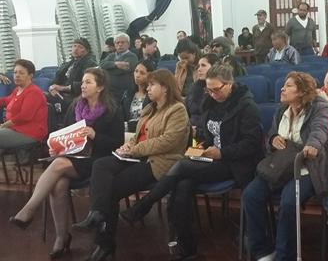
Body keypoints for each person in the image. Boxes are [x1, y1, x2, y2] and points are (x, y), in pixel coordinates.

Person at [119, 64, 263, 259]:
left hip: (235, 163)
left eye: (216, 89)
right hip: (211, 159)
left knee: (183, 166)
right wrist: (200, 145)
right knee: (182, 184)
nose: (211, 94)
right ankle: (187, 246)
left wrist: (221, 153)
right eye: (208, 90)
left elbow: (251, 144)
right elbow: (204, 134)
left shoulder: (247, 106)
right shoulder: (210, 103)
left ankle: (146, 204)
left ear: (229, 84)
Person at [72, 69, 189, 261]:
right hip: (138, 156)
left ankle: (104, 243)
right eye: (148, 85)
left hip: (159, 161)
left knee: (110, 189)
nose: (147, 88)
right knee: (101, 165)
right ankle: (96, 214)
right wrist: (128, 145)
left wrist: (134, 149)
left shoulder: (177, 109)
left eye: (152, 85)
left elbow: (167, 141)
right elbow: (138, 136)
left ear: (166, 88)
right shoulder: (150, 109)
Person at [9, 68, 123, 258]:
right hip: (75, 157)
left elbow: (117, 142)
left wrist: (96, 135)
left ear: (100, 87)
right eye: (83, 82)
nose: (83, 86)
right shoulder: (76, 106)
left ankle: (29, 211)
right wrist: (57, 146)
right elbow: (66, 132)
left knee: (58, 165)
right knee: (58, 183)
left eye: (88, 82)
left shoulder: (112, 109)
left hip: (99, 162)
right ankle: (61, 237)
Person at [243, 72, 328, 261]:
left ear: (302, 91)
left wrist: (313, 144)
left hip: (309, 167)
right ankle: (262, 250)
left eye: (288, 86)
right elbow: (271, 134)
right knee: (251, 195)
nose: (282, 88)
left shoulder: (320, 107)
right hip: (281, 165)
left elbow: (321, 128)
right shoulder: (282, 110)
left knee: (288, 203)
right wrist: (273, 139)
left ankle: (284, 255)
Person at [0, 59, 47, 151]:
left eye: (21, 73)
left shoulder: (34, 92)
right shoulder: (18, 90)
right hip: (14, 128)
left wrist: (3, 125)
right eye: (15, 72)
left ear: (30, 76)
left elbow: (24, 116)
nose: (17, 75)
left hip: (29, 132)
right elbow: (6, 100)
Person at [47, 38, 97, 115]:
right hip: (61, 94)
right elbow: (56, 80)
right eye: (74, 46)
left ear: (87, 51)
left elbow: (86, 84)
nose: (76, 49)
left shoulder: (90, 64)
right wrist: (52, 88)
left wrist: (62, 88)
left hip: (76, 96)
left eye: (80, 47)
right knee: (41, 97)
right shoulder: (68, 64)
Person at [185, 53, 220, 142]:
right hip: (190, 133)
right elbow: (186, 112)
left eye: (203, 65)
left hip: (209, 136)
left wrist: (197, 132)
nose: (199, 69)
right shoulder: (194, 88)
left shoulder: (220, 91)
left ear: (214, 67)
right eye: (198, 66)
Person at [99, 33, 139, 103]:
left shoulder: (132, 56)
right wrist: (115, 64)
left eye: (123, 42)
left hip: (124, 92)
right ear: (114, 45)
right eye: (117, 43)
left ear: (128, 44)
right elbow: (101, 64)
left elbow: (121, 71)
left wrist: (107, 69)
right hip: (110, 91)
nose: (120, 44)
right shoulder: (111, 55)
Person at [122, 60, 156, 133]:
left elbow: (150, 119)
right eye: (136, 71)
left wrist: (127, 126)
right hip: (126, 131)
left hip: (144, 132)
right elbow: (122, 113)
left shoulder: (153, 96)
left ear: (150, 75)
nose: (137, 75)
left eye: (142, 73)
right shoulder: (128, 93)